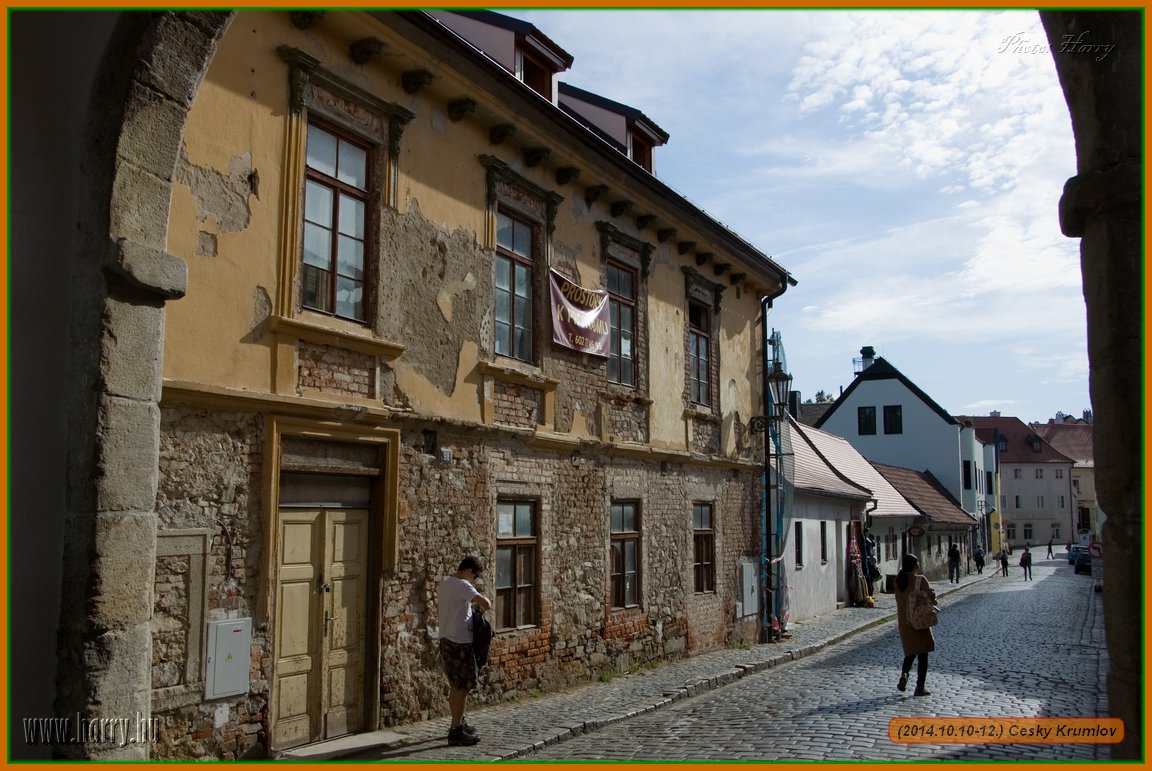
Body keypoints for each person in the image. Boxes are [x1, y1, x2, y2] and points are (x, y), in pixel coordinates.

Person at [438, 556, 492, 746]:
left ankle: (459, 722)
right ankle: (455, 730)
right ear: (470, 571)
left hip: (446, 639)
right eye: (475, 577)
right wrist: (478, 604)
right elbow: (486, 603)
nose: (474, 580)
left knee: (455, 685)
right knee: (463, 686)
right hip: (460, 642)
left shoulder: (445, 584)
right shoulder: (463, 585)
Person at [894, 553, 935, 697]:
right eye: (917, 563)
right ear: (914, 565)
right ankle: (920, 687)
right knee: (923, 655)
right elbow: (931, 596)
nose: (918, 565)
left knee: (910, 652)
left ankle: (904, 675)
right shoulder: (919, 580)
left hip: (905, 624)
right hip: (919, 621)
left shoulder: (899, 581)